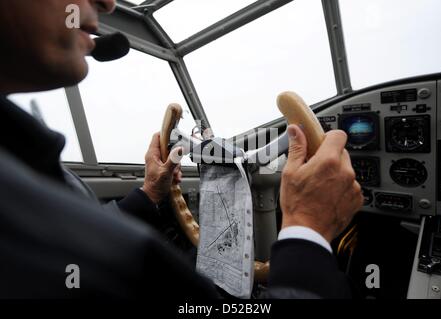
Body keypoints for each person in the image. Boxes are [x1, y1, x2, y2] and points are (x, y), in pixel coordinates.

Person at [0, 0, 364, 299]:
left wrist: (148, 194)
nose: (107, 2)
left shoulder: (20, 166)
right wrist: (307, 231)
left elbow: (76, 240)